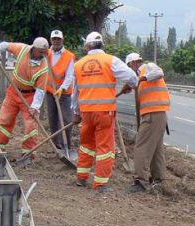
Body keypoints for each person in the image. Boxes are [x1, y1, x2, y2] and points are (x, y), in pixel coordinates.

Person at [72, 32, 137, 193]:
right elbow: (132, 78)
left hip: (86, 112)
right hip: (104, 113)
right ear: (102, 45)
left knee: (86, 145)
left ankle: (81, 177)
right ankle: (100, 184)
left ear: (87, 47)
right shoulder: (111, 60)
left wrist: (75, 112)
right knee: (104, 148)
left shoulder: (78, 65)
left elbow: (75, 92)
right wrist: (130, 84)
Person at [0, 37, 49, 160]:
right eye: (41, 52)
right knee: (4, 119)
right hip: (13, 92)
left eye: (45, 52)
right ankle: (0, 147)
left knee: (31, 125)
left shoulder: (43, 67)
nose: (43, 55)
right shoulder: (22, 49)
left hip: (30, 96)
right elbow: (2, 45)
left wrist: (35, 107)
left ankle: (28, 153)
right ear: (33, 49)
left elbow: (40, 90)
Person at [124, 53, 170, 192]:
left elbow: (159, 72)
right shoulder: (139, 77)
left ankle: (141, 180)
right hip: (156, 114)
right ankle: (159, 179)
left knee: (141, 145)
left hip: (154, 114)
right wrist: (131, 86)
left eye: (129, 66)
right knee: (156, 148)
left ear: (133, 63)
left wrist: (141, 79)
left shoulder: (148, 67)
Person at [46, 30, 75, 150]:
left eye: (58, 39)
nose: (56, 41)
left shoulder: (69, 56)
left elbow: (70, 75)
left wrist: (62, 88)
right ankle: (56, 145)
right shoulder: (46, 54)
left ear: (62, 40)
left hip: (65, 94)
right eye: (54, 39)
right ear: (51, 40)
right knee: (53, 120)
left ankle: (67, 145)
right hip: (50, 92)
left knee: (67, 120)